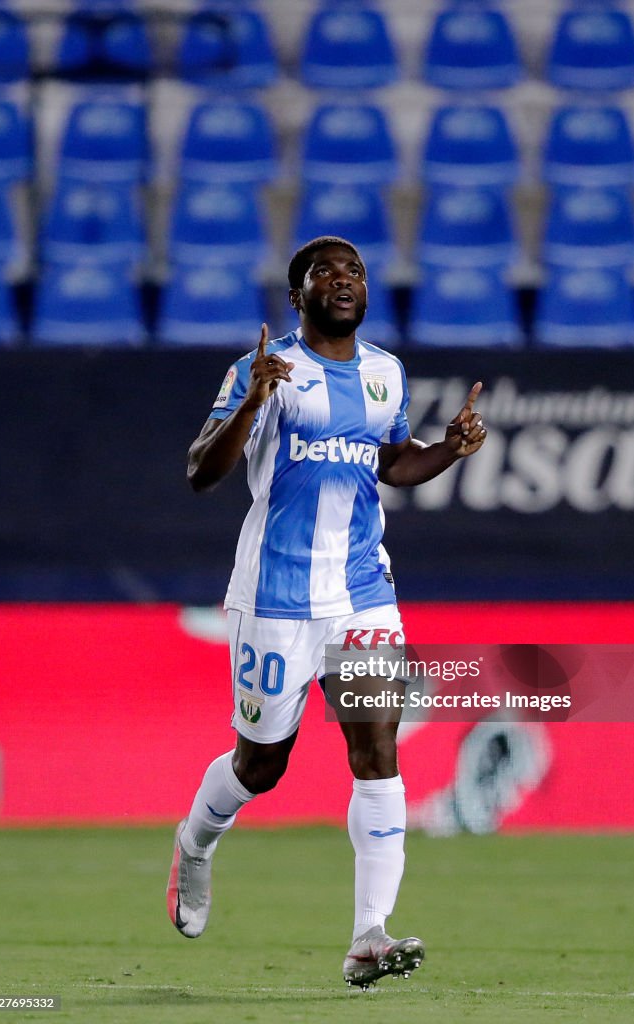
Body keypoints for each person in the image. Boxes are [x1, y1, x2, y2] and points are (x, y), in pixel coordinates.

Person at [166, 236, 487, 988]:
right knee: (260, 765)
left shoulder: (385, 373)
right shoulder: (264, 369)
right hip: (276, 595)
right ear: (297, 296)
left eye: (355, 272)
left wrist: (447, 449)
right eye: (325, 273)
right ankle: (195, 843)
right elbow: (201, 472)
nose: (343, 281)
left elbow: (391, 462)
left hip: (362, 590)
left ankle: (368, 935)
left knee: (377, 751)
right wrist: (254, 401)